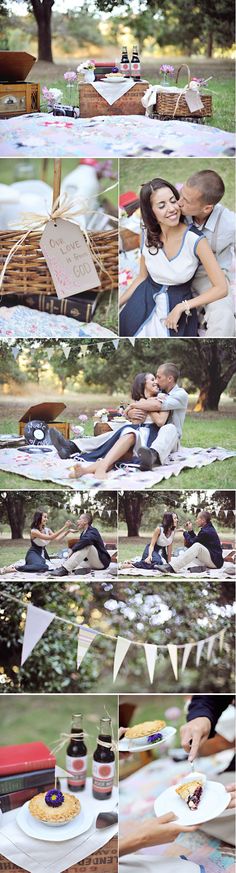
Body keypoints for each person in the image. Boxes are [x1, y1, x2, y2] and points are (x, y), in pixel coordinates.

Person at [119, 177, 227, 338]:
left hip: (178, 306)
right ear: (151, 212)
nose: (172, 209)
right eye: (162, 205)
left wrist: (182, 307)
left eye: (173, 201)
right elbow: (142, 277)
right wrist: (118, 303)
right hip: (143, 300)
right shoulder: (146, 233)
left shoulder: (196, 240)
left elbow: (221, 288)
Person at [49, 372, 170, 480]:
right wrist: (130, 410)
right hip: (136, 431)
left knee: (130, 434)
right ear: (143, 383)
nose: (156, 382)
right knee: (117, 455)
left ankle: (99, 468)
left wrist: (140, 405)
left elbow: (157, 412)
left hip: (147, 437)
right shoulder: (138, 402)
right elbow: (130, 415)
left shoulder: (161, 398)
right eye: (152, 379)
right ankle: (84, 470)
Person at [179, 170, 235, 337]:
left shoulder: (230, 224)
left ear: (207, 208)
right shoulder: (175, 207)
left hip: (209, 276)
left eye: (187, 201)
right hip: (177, 269)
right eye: (181, 195)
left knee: (224, 316)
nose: (179, 203)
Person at [125, 362, 188, 471]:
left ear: (169, 379)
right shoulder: (159, 392)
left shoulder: (180, 395)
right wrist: (128, 412)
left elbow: (157, 406)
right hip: (154, 435)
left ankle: (152, 457)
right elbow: (145, 402)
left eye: (158, 377)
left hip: (171, 440)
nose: (156, 381)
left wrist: (132, 405)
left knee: (170, 428)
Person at [0, 511, 72, 575]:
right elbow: (51, 538)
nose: (46, 519)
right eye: (45, 517)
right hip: (33, 553)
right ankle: (14, 568)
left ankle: (27, 566)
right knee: (42, 567)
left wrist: (68, 531)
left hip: (43, 554)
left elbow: (56, 539)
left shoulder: (47, 530)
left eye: (47, 517)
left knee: (47, 567)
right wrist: (65, 526)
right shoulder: (34, 531)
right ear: (39, 518)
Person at [157, 510, 223, 574]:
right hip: (210, 559)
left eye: (197, 519)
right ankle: (172, 565)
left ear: (203, 520)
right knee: (184, 556)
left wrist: (185, 532)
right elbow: (197, 539)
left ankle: (171, 568)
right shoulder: (206, 528)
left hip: (215, 562)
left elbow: (193, 542)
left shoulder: (207, 531)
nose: (196, 521)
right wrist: (190, 530)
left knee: (197, 546)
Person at [50, 511, 111, 577]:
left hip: (101, 563)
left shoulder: (93, 531)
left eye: (79, 519)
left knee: (87, 545)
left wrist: (73, 550)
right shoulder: (83, 533)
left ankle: (65, 569)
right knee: (73, 561)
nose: (77, 521)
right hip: (90, 563)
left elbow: (87, 540)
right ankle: (76, 569)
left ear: (85, 521)